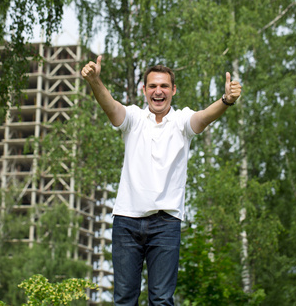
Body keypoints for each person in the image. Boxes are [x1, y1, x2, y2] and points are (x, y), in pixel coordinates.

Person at [81, 55, 242, 306]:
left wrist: (226, 101)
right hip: (127, 221)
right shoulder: (133, 119)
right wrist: (94, 81)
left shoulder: (181, 122)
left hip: (166, 223)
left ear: (173, 90)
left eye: (164, 86)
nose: (159, 91)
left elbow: (204, 117)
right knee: (124, 299)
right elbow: (110, 106)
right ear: (144, 90)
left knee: (162, 299)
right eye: (153, 86)